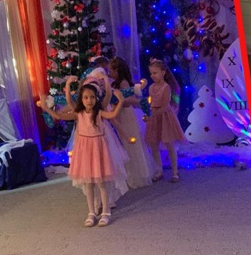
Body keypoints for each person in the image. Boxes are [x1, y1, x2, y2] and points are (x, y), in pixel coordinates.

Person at [39, 78, 128, 228]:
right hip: (85, 151)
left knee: (101, 183)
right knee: (88, 183)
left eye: (92, 97)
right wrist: (47, 106)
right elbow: (60, 115)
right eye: (86, 97)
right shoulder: (78, 113)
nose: (89, 100)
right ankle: (91, 212)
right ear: (81, 99)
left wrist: (121, 101)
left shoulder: (99, 112)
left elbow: (112, 115)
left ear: (96, 98)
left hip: (98, 150)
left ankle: (105, 212)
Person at [108, 57, 156, 189]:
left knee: (130, 145)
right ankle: (127, 175)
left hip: (125, 115)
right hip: (120, 114)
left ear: (117, 70)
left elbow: (131, 100)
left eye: (111, 71)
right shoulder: (115, 83)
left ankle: (135, 176)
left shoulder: (123, 83)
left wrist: (119, 101)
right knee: (123, 144)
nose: (109, 73)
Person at [143, 58, 186, 183]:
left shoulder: (166, 87)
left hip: (165, 116)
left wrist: (152, 114)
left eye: (155, 73)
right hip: (154, 116)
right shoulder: (151, 87)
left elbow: (165, 106)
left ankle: (174, 172)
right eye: (151, 73)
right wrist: (148, 112)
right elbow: (151, 102)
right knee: (154, 144)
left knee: (169, 144)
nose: (153, 75)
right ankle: (159, 170)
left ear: (163, 72)